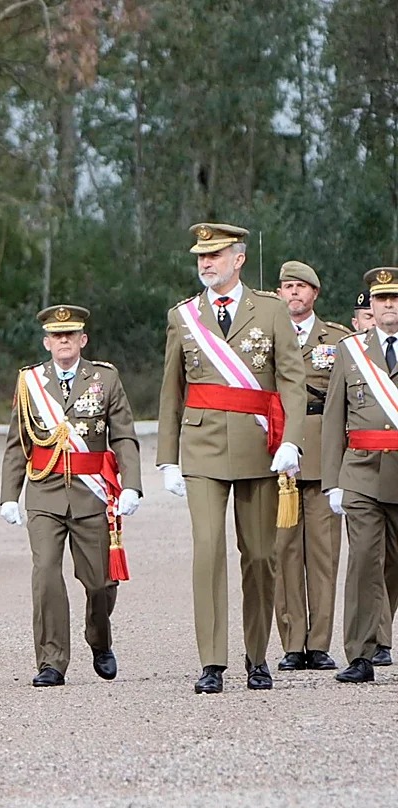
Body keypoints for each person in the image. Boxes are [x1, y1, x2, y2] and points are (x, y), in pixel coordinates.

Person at [157, 223, 306, 694]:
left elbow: (292, 381)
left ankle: (257, 656)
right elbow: (171, 391)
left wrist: (292, 441)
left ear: (238, 260)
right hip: (201, 446)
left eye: (215, 255)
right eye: (201, 256)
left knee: (260, 556)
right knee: (207, 551)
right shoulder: (183, 316)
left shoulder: (272, 310)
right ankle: (212, 661)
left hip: (257, 446)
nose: (206, 263)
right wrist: (167, 458)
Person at [0, 305, 142, 687]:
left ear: (83, 340)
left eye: (70, 335)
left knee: (99, 583)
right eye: (56, 336)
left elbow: (123, 435)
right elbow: (17, 443)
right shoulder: (30, 382)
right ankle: (52, 660)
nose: (63, 341)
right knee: (46, 573)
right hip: (44, 492)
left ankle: (99, 639)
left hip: (91, 493)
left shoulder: (105, 378)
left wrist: (131, 483)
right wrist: (9, 495)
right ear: (47, 342)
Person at [272, 261, 350, 672]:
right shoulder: (264, 336)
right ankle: (292, 643)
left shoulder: (336, 339)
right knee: (283, 551)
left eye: (301, 286)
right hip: (278, 452)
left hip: (321, 451)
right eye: (287, 286)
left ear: (315, 293)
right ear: (279, 293)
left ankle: (319, 643)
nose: (294, 293)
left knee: (323, 553)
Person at [322, 267, 398, 684]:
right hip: (362, 473)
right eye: (381, 299)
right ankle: (360, 654)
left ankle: (381, 633)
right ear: (371, 305)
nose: (388, 306)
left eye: (395, 299)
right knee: (364, 562)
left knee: (392, 567)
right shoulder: (351, 351)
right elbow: (334, 418)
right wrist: (333, 481)